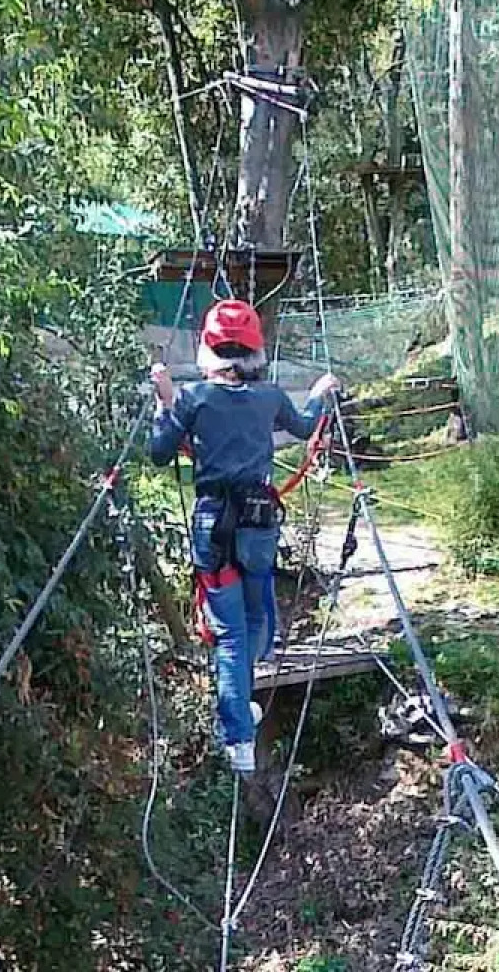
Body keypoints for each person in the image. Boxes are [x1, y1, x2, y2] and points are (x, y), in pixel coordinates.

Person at [149, 299, 340, 774]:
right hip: (257, 525)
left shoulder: (193, 399)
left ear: (207, 348)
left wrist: (166, 404)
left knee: (232, 635)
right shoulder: (270, 397)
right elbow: (303, 424)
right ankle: (239, 704)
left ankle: (238, 735)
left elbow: (158, 452)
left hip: (214, 527)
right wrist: (319, 393)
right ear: (255, 351)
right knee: (259, 623)